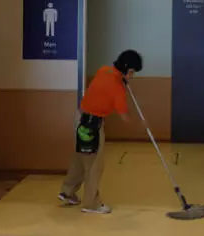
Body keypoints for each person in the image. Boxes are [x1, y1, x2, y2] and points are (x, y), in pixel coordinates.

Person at [58, 50, 143, 213]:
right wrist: (140, 124)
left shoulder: (104, 70)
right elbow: (124, 116)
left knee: (80, 158)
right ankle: (92, 204)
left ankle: (67, 192)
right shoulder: (118, 87)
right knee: (94, 165)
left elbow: (105, 86)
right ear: (125, 68)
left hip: (79, 119)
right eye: (131, 72)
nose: (132, 76)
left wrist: (122, 80)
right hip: (92, 125)